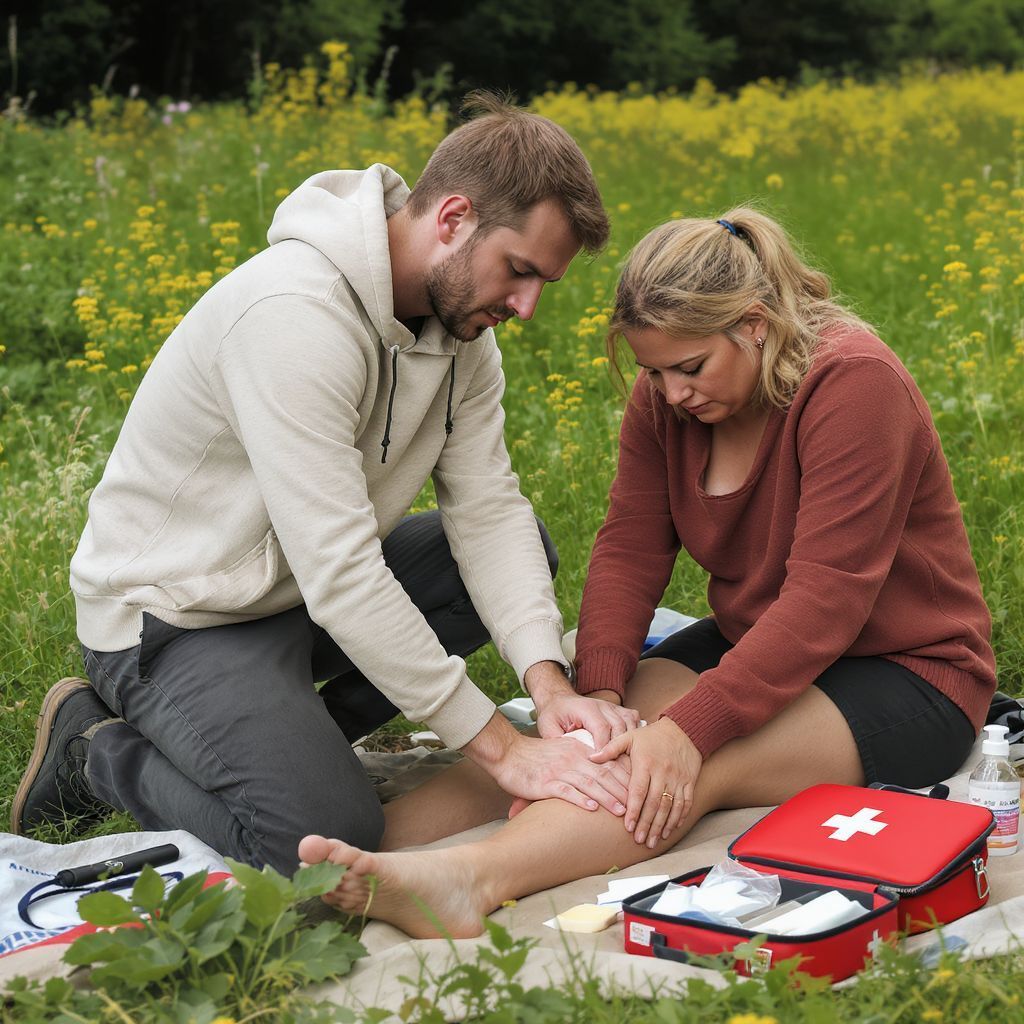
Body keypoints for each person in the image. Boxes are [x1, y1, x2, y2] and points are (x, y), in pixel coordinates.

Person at [298, 208, 997, 939]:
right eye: (652, 372)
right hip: (759, 643)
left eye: (689, 368)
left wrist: (689, 729)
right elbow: (630, 546)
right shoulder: (669, 399)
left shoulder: (854, 385)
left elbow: (827, 601)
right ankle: (334, 863)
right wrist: (599, 691)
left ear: (755, 325)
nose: (671, 394)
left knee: (686, 762)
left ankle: (468, 882)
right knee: (581, 744)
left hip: (906, 672)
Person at [11, 94, 643, 873]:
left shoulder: (464, 338)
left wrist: (549, 688)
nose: (527, 306)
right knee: (316, 842)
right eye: (519, 271)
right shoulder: (294, 314)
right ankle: (97, 749)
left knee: (518, 554)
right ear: (453, 218)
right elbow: (342, 573)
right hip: (175, 617)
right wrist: (505, 752)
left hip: (289, 594)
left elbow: (488, 508)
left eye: (542, 282)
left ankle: (287, 744)